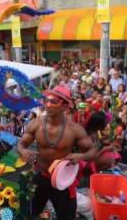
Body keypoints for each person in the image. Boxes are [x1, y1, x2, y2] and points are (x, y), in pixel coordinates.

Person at [17, 86, 97, 220]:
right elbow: (21, 143)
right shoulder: (36, 124)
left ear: (65, 107)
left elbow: (94, 151)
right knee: (30, 213)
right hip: (40, 177)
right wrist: (23, 151)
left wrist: (82, 156)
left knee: (67, 216)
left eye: (53, 102)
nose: (48, 105)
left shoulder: (74, 129)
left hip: (62, 183)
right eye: (46, 101)